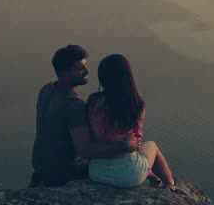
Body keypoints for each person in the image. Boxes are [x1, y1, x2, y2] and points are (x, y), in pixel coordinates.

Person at [30, 45, 140, 186]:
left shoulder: (46, 89)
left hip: (40, 167)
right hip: (62, 173)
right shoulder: (75, 106)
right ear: (64, 73)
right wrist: (124, 146)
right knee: (119, 166)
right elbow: (86, 150)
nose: (87, 71)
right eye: (80, 68)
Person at [85, 54, 177, 189]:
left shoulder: (93, 101)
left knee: (139, 158)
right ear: (127, 77)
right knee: (151, 145)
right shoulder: (135, 104)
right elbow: (136, 142)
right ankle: (169, 184)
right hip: (129, 176)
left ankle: (154, 177)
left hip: (97, 172)